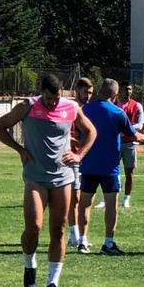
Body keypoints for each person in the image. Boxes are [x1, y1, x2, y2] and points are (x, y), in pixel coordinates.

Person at [0, 73, 96, 287]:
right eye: (48, 99)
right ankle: (30, 264)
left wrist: (79, 156)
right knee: (34, 227)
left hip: (63, 176)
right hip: (35, 177)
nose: (52, 103)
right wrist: (20, 149)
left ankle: (53, 282)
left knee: (58, 230)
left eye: (55, 99)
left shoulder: (71, 107)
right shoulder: (27, 106)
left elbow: (91, 132)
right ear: (41, 91)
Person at [78, 78, 144, 255]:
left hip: (88, 163)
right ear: (115, 94)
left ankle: (82, 241)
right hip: (109, 166)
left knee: (85, 203)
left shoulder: (85, 109)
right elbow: (133, 136)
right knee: (111, 204)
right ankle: (108, 243)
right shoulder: (118, 112)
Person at [66, 77, 94, 248]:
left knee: (85, 198)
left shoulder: (90, 110)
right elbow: (64, 135)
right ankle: (74, 234)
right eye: (85, 92)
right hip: (73, 157)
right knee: (75, 198)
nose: (88, 96)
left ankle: (78, 235)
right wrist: (82, 145)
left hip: (87, 158)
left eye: (90, 93)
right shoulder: (69, 108)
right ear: (77, 90)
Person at [116, 83, 144, 209]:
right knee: (112, 172)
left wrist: (126, 129)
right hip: (115, 142)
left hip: (130, 142)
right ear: (120, 91)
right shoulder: (114, 104)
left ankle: (126, 198)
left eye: (130, 89)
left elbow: (140, 124)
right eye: (125, 89)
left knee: (130, 172)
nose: (128, 91)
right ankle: (108, 197)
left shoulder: (137, 105)